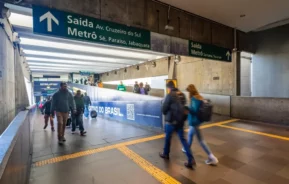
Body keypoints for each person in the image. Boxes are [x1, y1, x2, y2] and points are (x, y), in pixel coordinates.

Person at [159, 81, 196, 169]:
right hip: (180, 122)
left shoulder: (169, 95)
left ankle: (166, 154)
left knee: (168, 138)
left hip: (171, 122)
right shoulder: (182, 94)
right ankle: (191, 159)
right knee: (183, 140)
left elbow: (164, 109)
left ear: (168, 88)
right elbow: (185, 107)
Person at [183, 84, 218, 165]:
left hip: (194, 121)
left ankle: (212, 157)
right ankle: (186, 148)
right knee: (190, 135)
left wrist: (187, 109)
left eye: (188, 91)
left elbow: (194, 111)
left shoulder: (194, 99)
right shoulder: (200, 97)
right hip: (197, 121)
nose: (188, 93)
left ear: (190, 91)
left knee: (201, 140)